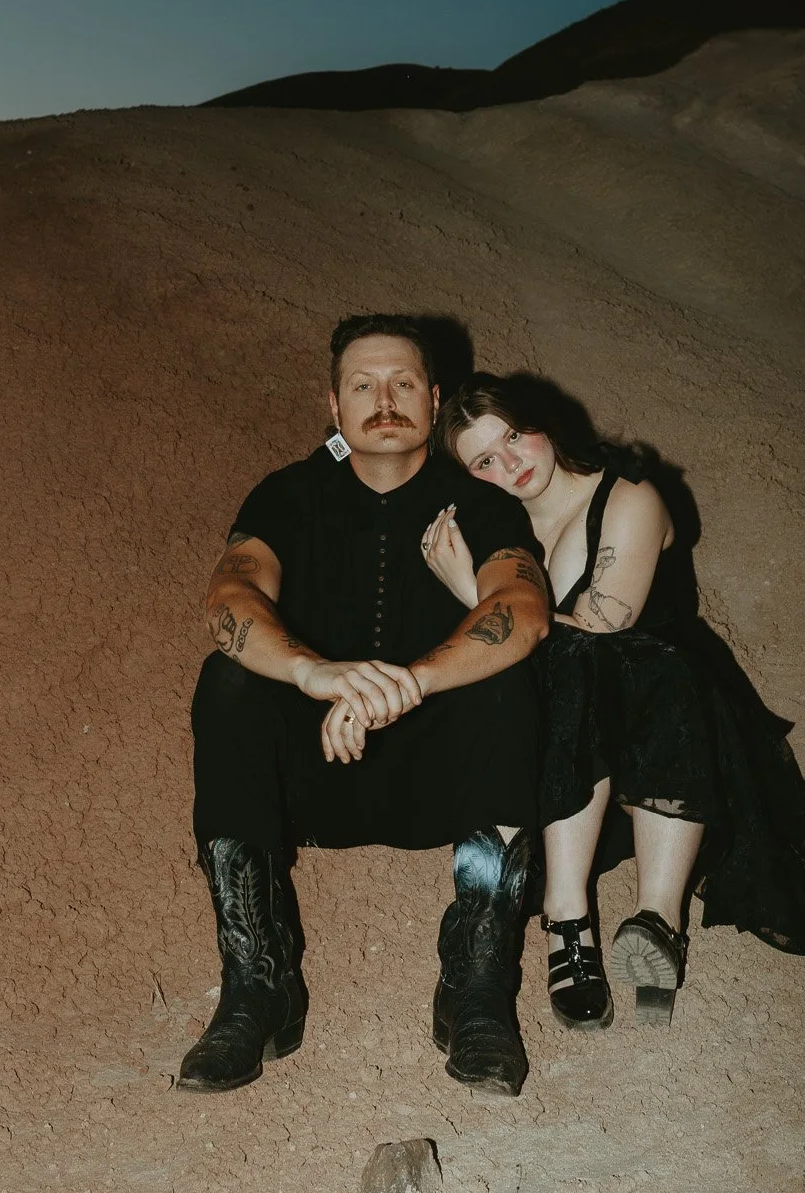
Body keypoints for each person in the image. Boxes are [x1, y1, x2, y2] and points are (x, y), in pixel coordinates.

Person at [182, 318, 550, 1100]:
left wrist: (409, 683)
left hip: (443, 777)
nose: (384, 401)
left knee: (509, 677)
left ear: (434, 396)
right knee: (229, 681)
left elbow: (521, 606)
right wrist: (316, 675)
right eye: (362, 385)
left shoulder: (474, 499)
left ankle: (477, 988)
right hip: (315, 770)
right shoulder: (289, 491)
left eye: (404, 383)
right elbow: (229, 597)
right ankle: (257, 984)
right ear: (334, 403)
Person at [428, 373, 805, 1030]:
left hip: (673, 723)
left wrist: (470, 596)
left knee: (614, 661)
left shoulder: (627, 495)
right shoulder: (492, 524)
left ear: (542, 424)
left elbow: (601, 625)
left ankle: (658, 918)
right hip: (570, 749)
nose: (509, 462)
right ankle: (569, 923)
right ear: (469, 475)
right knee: (562, 675)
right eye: (484, 459)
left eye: (514, 435)